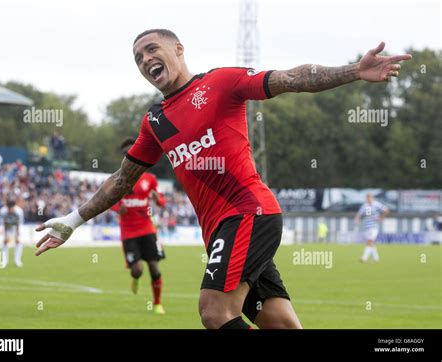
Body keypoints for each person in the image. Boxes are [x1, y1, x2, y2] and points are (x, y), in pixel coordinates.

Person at [35, 29, 411, 329]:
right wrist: (72, 220)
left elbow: (292, 78)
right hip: (222, 231)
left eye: (151, 49)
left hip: (248, 213)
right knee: (280, 324)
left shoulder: (221, 83)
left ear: (178, 49)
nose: (145, 59)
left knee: (214, 311)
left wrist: (353, 72)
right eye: (138, 58)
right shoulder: (154, 122)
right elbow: (121, 180)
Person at [111, 137, 167, 315]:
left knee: (154, 267)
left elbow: (161, 201)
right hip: (128, 232)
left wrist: (159, 200)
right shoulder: (118, 179)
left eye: (130, 152)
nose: (128, 155)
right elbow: (108, 201)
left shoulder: (149, 178)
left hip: (147, 229)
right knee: (137, 270)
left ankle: (157, 303)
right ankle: (135, 279)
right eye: (124, 154)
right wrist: (119, 207)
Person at [354, 193, 389, 262]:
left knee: (370, 241)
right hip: (367, 227)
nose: (368, 199)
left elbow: (386, 210)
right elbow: (360, 214)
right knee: (371, 242)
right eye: (367, 198)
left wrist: (381, 217)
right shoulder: (366, 206)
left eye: (370, 197)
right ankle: (376, 258)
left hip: (374, 227)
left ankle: (364, 258)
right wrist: (357, 219)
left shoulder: (376, 204)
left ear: (372, 198)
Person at [0, 199, 24, 268]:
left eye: (11, 208)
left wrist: (17, 235)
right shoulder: (3, 211)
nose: (10, 209)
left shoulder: (19, 211)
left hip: (16, 227)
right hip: (7, 227)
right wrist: (5, 235)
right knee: (4, 242)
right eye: (8, 208)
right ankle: (4, 261)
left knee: (18, 242)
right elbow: (3, 223)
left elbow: (19, 223)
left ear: (14, 206)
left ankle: (17, 260)